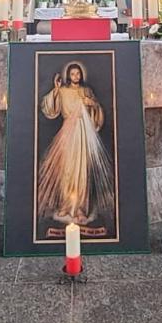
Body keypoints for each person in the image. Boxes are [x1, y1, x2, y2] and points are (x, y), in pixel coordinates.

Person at [37, 63, 115, 225]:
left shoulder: (86, 91)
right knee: (67, 168)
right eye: (72, 74)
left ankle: (80, 208)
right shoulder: (64, 91)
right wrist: (56, 89)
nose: (76, 77)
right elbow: (50, 108)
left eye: (78, 73)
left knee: (82, 170)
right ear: (68, 76)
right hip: (68, 132)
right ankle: (66, 205)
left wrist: (92, 104)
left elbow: (97, 112)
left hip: (84, 132)